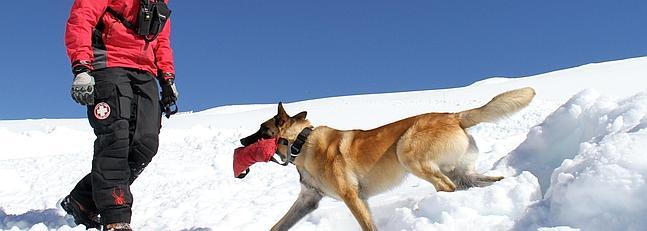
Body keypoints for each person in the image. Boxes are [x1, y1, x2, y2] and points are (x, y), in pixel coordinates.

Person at [61, 0, 178, 230]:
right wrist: (82, 67)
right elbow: (81, 18)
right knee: (116, 139)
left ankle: (83, 199)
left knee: (145, 144)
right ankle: (115, 218)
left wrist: (167, 77)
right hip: (108, 63)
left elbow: (161, 40)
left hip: (145, 72)